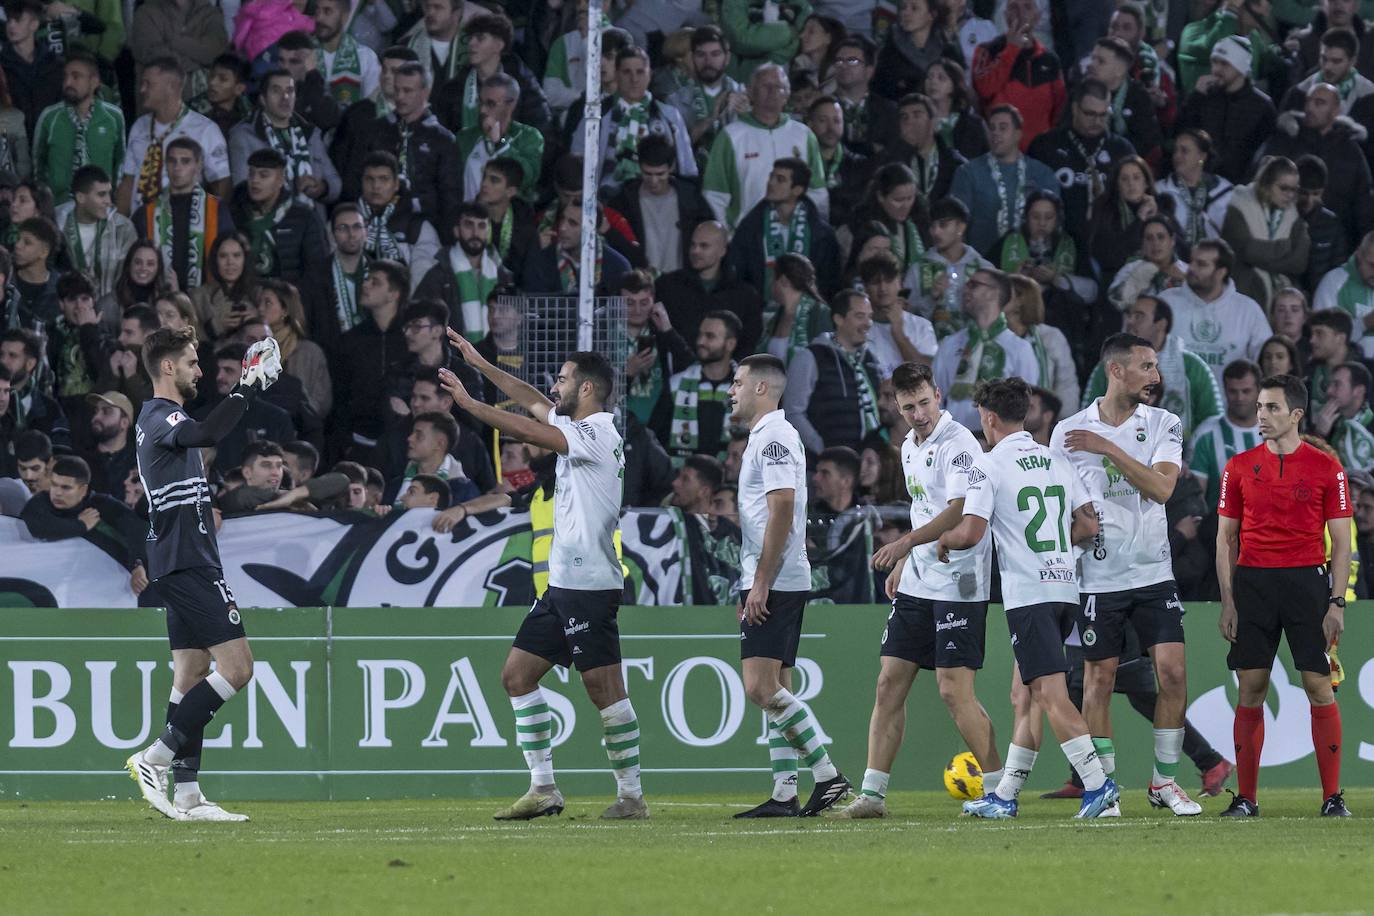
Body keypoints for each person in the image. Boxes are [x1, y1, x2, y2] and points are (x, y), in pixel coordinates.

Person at [436, 336, 647, 821]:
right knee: (516, 676)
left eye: (564, 379)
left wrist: (469, 404)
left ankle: (632, 797)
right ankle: (543, 788)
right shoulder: (579, 424)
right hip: (561, 586)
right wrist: (483, 365)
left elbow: (529, 429)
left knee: (605, 690)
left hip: (590, 585)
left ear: (588, 387)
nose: (555, 387)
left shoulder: (597, 432)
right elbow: (530, 399)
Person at [939, 377, 1117, 818]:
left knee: (1052, 695)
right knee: (1026, 694)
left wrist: (942, 540)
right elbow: (1089, 525)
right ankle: (1004, 796)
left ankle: (1098, 785)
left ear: (989, 417)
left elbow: (972, 532)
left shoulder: (989, 465)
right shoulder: (1056, 460)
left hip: (1029, 595)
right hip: (1065, 589)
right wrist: (1057, 549)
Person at [124, 326, 280, 822]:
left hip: (180, 560)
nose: (200, 370)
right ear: (167, 367)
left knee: (191, 676)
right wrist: (247, 388)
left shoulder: (162, 419)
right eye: (192, 362)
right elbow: (209, 433)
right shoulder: (159, 415)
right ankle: (155, 758)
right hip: (187, 563)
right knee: (238, 670)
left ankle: (188, 796)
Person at [837, 361, 999, 818]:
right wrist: (909, 560)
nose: (918, 413)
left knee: (953, 692)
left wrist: (906, 543)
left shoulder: (960, 443)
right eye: (908, 406)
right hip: (919, 582)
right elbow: (923, 507)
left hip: (959, 585)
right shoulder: (908, 445)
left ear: (939, 396)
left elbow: (959, 508)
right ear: (897, 406)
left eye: (924, 403)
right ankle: (872, 795)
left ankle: (996, 790)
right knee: (888, 684)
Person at [1052, 334, 1199, 816]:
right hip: (1097, 578)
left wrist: (1107, 448)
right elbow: (1059, 504)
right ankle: (1106, 789)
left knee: (1173, 674)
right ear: (1117, 371)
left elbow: (1160, 488)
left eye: (1156, 366)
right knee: (1099, 680)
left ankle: (1164, 783)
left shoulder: (1163, 423)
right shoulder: (1067, 432)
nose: (1156, 376)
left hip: (1154, 572)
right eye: (1146, 366)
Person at [1215, 373, 1352, 817]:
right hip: (1253, 585)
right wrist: (1229, 600)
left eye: (1271, 408)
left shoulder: (1326, 468)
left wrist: (1336, 602)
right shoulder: (1237, 467)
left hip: (1307, 585)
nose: (1261, 416)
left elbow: (1342, 542)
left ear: (1295, 414)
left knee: (1318, 686)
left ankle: (1332, 797)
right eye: (1259, 407)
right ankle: (1247, 799)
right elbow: (1225, 540)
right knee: (1251, 689)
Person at [725, 352, 850, 817]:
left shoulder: (775, 436)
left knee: (760, 687)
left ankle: (829, 777)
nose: (732, 391)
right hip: (774, 575)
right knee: (778, 684)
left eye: (738, 383)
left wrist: (760, 583)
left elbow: (781, 507)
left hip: (775, 578)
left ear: (762, 388)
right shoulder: (767, 435)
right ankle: (783, 792)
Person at [703, 63, 828, 230]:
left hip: (796, 236)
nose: (772, 91)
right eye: (765, 86)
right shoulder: (730, 137)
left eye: (779, 87)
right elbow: (715, 195)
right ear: (750, 91)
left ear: (787, 93)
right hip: (748, 238)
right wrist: (727, 236)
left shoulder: (804, 135)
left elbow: (817, 191)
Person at [1085, 294, 1223, 439]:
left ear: (1160, 324)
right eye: (1129, 316)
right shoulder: (1110, 365)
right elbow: (1088, 417)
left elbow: (1212, 423)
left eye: (1139, 316)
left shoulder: (1193, 366)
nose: (1130, 322)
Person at [1257, 82, 1372, 246]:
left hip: (1328, 238)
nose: (1310, 107)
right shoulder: (1285, 140)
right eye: (1308, 101)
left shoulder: (1350, 152)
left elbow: (1364, 202)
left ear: (1335, 111)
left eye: (1319, 103)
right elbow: (1258, 179)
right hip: (1279, 233)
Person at [1027, 80, 1138, 247]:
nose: (1097, 121)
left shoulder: (1122, 150)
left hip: (1108, 244)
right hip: (1056, 243)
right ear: (1075, 109)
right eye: (1090, 114)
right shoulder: (1045, 145)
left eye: (1103, 114)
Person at [117, 57, 230, 216]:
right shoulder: (139, 126)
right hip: (140, 227)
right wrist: (119, 228)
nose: (142, 89)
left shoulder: (205, 130)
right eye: (142, 83)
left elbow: (221, 183)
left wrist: (212, 225)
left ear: (171, 87)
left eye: (149, 84)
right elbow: (128, 182)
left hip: (180, 224)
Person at [933, 266, 1038, 428]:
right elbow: (935, 398)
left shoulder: (1019, 348)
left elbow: (1027, 406)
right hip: (954, 440)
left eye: (973, 285)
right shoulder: (950, 344)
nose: (965, 289)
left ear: (993, 293)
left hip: (998, 444)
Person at [782, 289, 882, 454]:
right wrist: (822, 449)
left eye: (869, 316)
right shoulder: (810, 357)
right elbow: (793, 413)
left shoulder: (871, 359)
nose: (868, 323)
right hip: (827, 468)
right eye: (859, 316)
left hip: (868, 463)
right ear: (838, 319)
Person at [1160, 239, 1271, 386]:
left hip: (1232, 405)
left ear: (1220, 272)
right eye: (1191, 261)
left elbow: (1266, 359)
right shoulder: (1166, 302)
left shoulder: (1248, 310)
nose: (1191, 268)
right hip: (1173, 404)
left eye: (1201, 264)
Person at [948, 105, 1056, 256]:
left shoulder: (1042, 173)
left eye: (1003, 128)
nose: (996, 133)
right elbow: (955, 224)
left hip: (1032, 266)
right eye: (992, 128)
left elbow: (1055, 225)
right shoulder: (968, 173)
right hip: (982, 266)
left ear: (1018, 134)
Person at [729, 156, 842, 301]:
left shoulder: (822, 234)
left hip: (808, 315)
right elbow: (738, 275)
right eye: (771, 177)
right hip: (759, 314)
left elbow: (829, 283)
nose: (771, 183)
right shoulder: (750, 228)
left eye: (780, 179)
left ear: (797, 190)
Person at [20, 453, 146, 582]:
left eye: (66, 488)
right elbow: (37, 527)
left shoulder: (102, 506)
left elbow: (138, 530)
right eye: (54, 484)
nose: (57, 493)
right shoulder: (41, 502)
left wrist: (139, 565)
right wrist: (81, 525)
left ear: (83, 490)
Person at [135, 138, 235, 296]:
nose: (177, 168)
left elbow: (229, 254)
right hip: (157, 298)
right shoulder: (146, 212)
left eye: (185, 161)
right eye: (172, 161)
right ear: (165, 165)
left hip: (206, 299)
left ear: (198, 165)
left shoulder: (217, 209)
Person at [228, 69, 339, 207]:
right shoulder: (243, 135)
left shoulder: (310, 133)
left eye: (290, 90)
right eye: (276, 91)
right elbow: (242, 190)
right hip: (267, 222)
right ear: (263, 99)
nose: (285, 97)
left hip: (311, 221)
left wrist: (321, 188)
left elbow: (335, 184)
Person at [1176, 36, 1277, 187]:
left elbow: (1264, 156)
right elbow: (1178, 133)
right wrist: (1194, 98)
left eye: (1224, 64)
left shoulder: (1262, 106)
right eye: (1214, 62)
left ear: (1241, 67)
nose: (1216, 69)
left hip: (1239, 189)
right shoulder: (1203, 97)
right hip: (1198, 182)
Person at [607, 134, 714, 277]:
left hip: (683, 281)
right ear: (639, 167)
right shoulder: (623, 202)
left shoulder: (691, 198)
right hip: (642, 284)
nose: (654, 180)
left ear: (671, 168)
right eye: (648, 174)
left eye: (660, 174)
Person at [31, 49, 125, 206]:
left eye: (76, 77)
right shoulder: (49, 117)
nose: (68, 83)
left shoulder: (114, 117)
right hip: (59, 206)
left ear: (94, 82)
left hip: (102, 207)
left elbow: (121, 162)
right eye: (66, 76)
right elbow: (37, 164)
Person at [969, 0, 1066, 150]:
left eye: (1027, 7)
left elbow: (1059, 112)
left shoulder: (1050, 60)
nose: (1021, 14)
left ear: (1038, 16)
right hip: (998, 153)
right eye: (1014, 7)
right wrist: (1012, 49)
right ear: (1005, 14)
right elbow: (984, 90)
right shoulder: (987, 51)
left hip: (1040, 156)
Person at [656, 220, 764, 354]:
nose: (695, 251)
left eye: (704, 246)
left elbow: (749, 342)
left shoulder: (745, 295)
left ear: (722, 250)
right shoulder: (668, 286)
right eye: (693, 245)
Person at [227, 148, 328, 284]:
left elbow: (317, 271)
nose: (255, 180)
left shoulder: (304, 218)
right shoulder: (233, 214)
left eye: (263, 175)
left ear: (281, 179)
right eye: (251, 174)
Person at [658, 309, 740, 465]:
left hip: (730, 480)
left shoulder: (747, 390)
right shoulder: (676, 384)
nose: (700, 341)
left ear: (730, 344)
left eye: (710, 336)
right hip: (684, 479)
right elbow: (657, 438)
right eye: (700, 334)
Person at [454, 73, 545, 202]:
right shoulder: (465, 137)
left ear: (511, 105)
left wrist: (500, 142)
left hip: (510, 218)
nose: (482, 110)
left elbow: (526, 178)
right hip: (469, 217)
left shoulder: (529, 137)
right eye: (480, 102)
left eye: (490, 104)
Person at [669, 26, 747, 171]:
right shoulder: (676, 100)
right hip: (694, 180)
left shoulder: (745, 96)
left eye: (715, 54)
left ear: (727, 58)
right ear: (692, 57)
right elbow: (672, 154)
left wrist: (748, 118)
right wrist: (711, 119)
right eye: (701, 55)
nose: (708, 61)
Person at [354, 151, 440, 282]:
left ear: (396, 185)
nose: (376, 186)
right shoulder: (345, 222)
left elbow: (425, 278)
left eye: (383, 179)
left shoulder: (418, 227)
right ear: (361, 182)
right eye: (369, 179)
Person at [520, 199, 631, 296]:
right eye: (562, 219)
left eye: (572, 223)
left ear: (592, 230)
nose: (562, 228)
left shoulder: (618, 267)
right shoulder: (540, 262)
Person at [60, 166, 137, 303]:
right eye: (101, 194)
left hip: (111, 313)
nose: (108, 201)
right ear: (81, 197)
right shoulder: (59, 225)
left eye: (109, 193)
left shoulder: (123, 229)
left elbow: (130, 278)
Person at [860, 251, 937, 376]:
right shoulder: (858, 328)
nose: (883, 288)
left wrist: (899, 335)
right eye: (875, 282)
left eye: (888, 281)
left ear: (900, 283)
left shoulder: (922, 326)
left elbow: (928, 375)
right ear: (865, 287)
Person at [1006, 274, 1076, 411]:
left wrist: (1064, 423)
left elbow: (1066, 384)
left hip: (1044, 423)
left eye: (1003, 293)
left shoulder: (1050, 337)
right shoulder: (991, 338)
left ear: (1020, 299)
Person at [1155, 129, 1233, 250]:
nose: (1177, 156)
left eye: (1184, 151)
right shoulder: (1160, 190)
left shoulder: (1225, 191)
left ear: (1202, 156)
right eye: (1175, 150)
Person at [1313, 230, 1374, 359]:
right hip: (1347, 372)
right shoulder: (1333, 282)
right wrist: (1364, 324)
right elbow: (1322, 341)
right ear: (1359, 255)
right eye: (1372, 265)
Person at [312, 0, 381, 105]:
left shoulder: (366, 58)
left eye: (327, 11)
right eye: (317, 11)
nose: (319, 18)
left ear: (345, 16)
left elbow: (372, 108)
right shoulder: (302, 53)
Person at [1297, 155, 1348, 294]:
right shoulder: (1282, 219)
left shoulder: (1332, 223)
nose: (1309, 200)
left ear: (1323, 192)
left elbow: (1339, 268)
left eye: (1315, 194)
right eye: (1303, 193)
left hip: (1321, 298)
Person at [1312, 361, 1374, 468]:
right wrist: (1319, 435)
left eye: (1337, 385)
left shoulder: (1371, 426)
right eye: (1329, 384)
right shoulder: (1328, 422)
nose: (1329, 391)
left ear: (1359, 391)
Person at [84, 390, 138, 498]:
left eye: (106, 411)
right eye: (96, 411)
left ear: (124, 422)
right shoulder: (82, 458)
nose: (96, 417)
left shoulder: (139, 463)